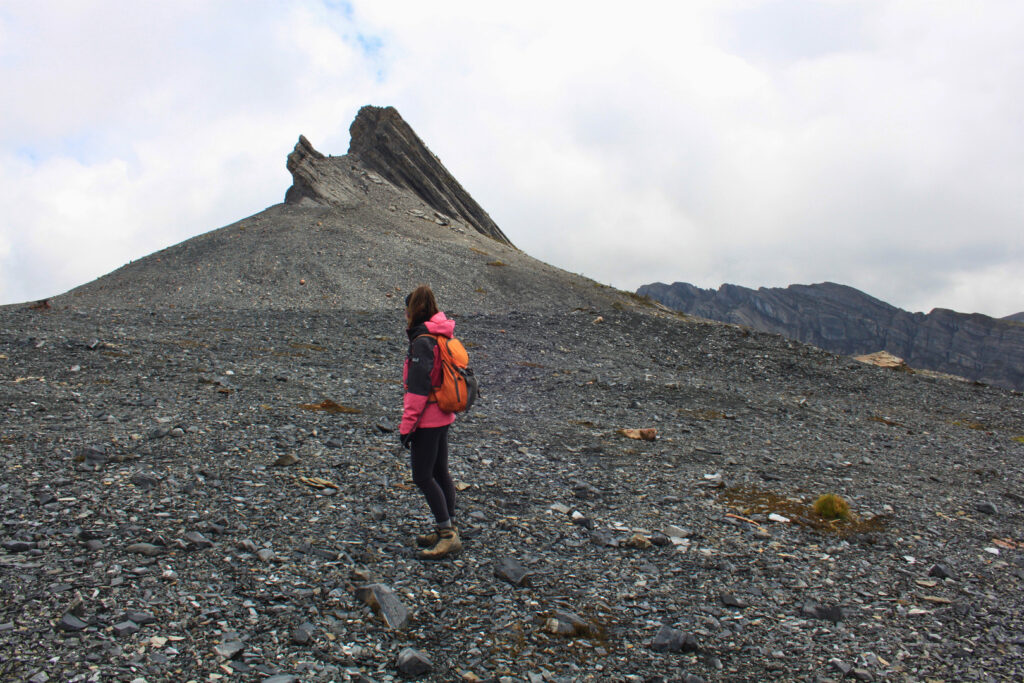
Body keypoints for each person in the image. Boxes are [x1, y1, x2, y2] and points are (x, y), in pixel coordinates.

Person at [399, 285, 462, 560]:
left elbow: (417, 390)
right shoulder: (439, 334)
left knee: (422, 476)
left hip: (428, 419)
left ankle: (447, 535)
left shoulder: (422, 341)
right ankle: (446, 527)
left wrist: (407, 427)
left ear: (412, 310)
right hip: (444, 414)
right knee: (440, 472)